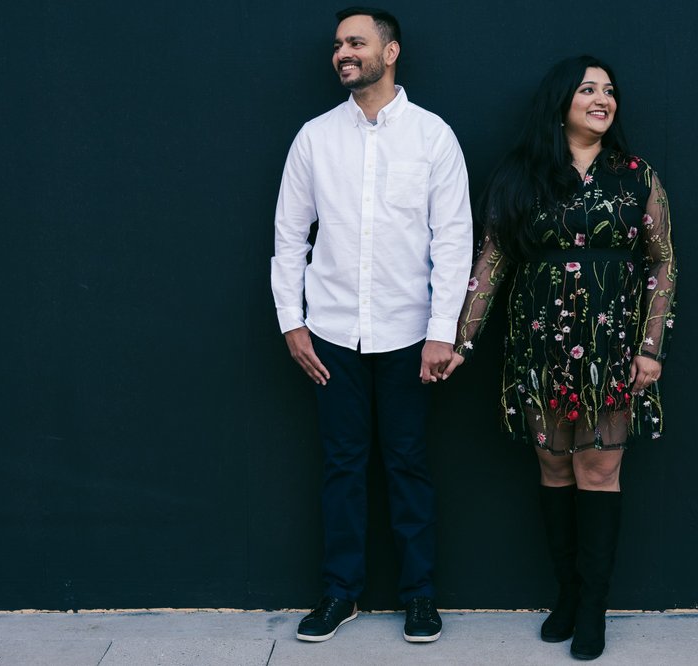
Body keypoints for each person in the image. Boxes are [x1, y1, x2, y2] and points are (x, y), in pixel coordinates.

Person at [450, 55, 676, 660]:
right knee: (553, 468)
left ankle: (594, 608)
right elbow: (492, 260)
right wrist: (460, 340)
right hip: (539, 345)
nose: (603, 99)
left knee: (598, 472)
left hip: (612, 347)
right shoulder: (521, 175)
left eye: (610, 91)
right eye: (588, 89)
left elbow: (661, 262)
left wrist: (650, 347)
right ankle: (568, 595)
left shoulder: (637, 176)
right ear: (560, 102)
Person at [271, 6, 473, 644]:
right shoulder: (314, 138)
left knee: (408, 464)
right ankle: (340, 593)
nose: (343, 53)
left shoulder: (432, 136)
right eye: (338, 45)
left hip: (409, 332)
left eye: (355, 42)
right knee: (341, 466)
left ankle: (420, 596)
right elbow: (288, 237)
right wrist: (292, 322)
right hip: (331, 332)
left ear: (390, 52)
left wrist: (443, 329)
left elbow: (454, 239)